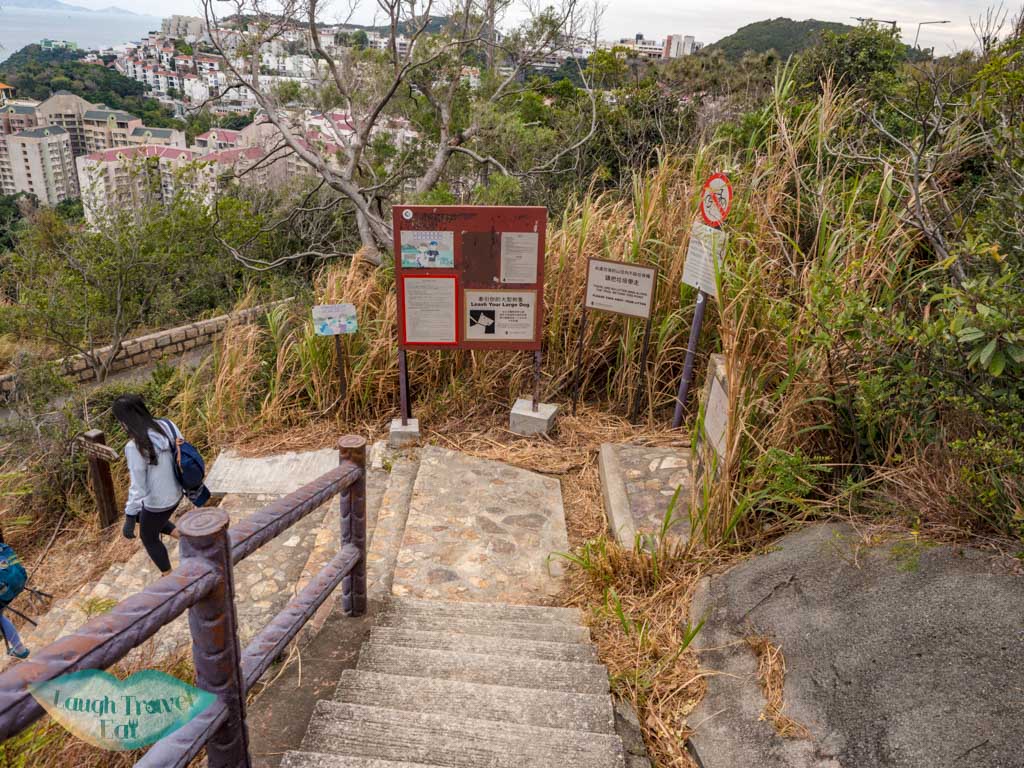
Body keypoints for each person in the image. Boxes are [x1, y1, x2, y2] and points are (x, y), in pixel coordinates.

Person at [112, 394, 185, 575]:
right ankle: (182, 536)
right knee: (144, 517)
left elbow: (138, 487)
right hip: (178, 490)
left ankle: (168, 575)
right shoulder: (167, 425)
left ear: (124, 421)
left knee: (148, 537)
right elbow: (181, 450)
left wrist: (129, 517)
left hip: (159, 502)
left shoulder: (135, 446)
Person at [0, 531, 29, 659]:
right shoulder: (2, 546)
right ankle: (19, 649)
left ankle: (20, 649)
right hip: (19, 582)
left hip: (5, 592)